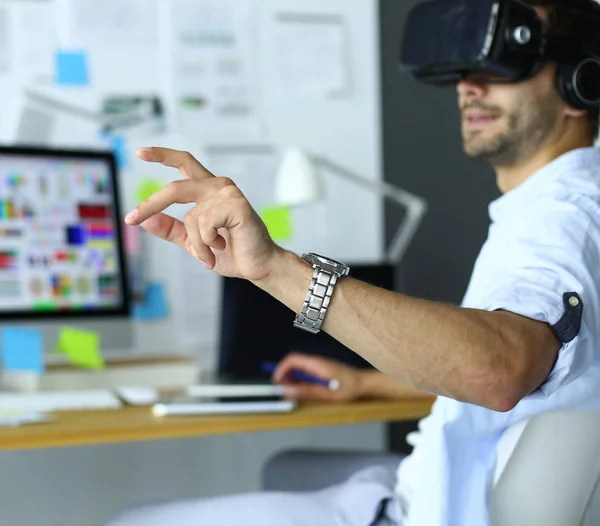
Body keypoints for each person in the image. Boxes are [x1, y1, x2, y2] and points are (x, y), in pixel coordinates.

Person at [107, 0, 600, 525]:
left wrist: (275, 268)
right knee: (289, 466)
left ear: (579, 83)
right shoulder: (551, 207)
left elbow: (500, 371)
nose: (469, 86)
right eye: (464, 68)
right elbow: (542, 376)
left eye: (504, 63)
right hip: (431, 481)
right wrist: (367, 383)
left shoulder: (563, 216)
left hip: (433, 510)